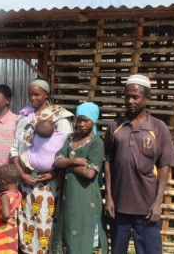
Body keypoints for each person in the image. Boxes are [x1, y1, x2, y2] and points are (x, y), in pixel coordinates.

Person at [104, 74, 174, 254]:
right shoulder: (115, 127)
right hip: (119, 207)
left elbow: (164, 166)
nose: (130, 101)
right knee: (117, 250)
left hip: (147, 208)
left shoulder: (158, 127)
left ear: (147, 98)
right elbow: (108, 162)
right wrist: (109, 198)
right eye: (127, 96)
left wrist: (157, 203)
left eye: (135, 97)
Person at [10, 78, 73, 254]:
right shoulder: (24, 116)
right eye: (30, 94)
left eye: (37, 94)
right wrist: (22, 174)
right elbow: (15, 147)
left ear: (47, 94)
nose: (33, 98)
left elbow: (67, 149)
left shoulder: (60, 116)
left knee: (47, 220)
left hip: (50, 182)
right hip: (26, 181)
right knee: (27, 219)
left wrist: (54, 174)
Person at [51, 102, 108, 254]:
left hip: (85, 196)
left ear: (93, 121)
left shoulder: (97, 143)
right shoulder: (70, 138)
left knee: (83, 232)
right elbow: (56, 161)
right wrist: (76, 161)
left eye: (86, 120)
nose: (81, 124)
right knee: (68, 229)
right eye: (79, 119)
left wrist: (66, 164)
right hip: (68, 195)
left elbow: (90, 173)